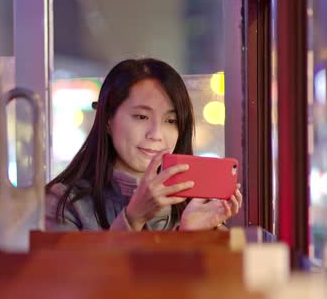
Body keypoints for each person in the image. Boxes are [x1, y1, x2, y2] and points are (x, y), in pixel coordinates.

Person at [45, 58, 242, 231]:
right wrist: (133, 218)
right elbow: (74, 274)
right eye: (141, 117)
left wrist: (189, 235)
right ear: (108, 120)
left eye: (171, 121)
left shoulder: (194, 207)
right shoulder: (65, 203)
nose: (155, 134)